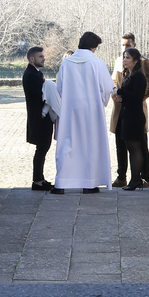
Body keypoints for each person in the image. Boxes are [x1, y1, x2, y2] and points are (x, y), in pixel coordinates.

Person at [54, 31, 114, 192]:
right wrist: (101, 99)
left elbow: (59, 88)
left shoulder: (66, 63)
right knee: (90, 144)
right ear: (93, 47)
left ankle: (62, 183)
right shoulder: (97, 63)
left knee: (68, 144)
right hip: (92, 109)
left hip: (70, 109)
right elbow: (108, 87)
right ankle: (89, 182)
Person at [111, 32, 149, 186]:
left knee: (139, 145)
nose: (125, 49)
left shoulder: (143, 63)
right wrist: (116, 96)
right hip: (120, 111)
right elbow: (114, 82)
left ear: (134, 46)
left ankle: (142, 178)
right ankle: (122, 176)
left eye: (128, 46)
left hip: (135, 110)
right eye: (123, 46)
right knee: (121, 144)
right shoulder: (119, 61)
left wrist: (139, 98)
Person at [21, 45, 59, 191]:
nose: (44, 58)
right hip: (39, 117)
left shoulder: (35, 73)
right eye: (40, 56)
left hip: (40, 117)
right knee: (41, 148)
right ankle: (37, 181)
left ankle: (39, 179)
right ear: (32, 59)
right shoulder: (31, 75)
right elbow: (41, 96)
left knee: (43, 148)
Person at [113, 47, 149, 190]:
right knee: (130, 147)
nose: (124, 60)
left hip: (134, 117)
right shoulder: (129, 74)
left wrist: (120, 91)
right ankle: (134, 180)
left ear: (135, 61)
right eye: (124, 57)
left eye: (127, 58)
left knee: (135, 148)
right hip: (127, 116)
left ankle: (136, 179)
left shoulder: (138, 76)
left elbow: (137, 96)